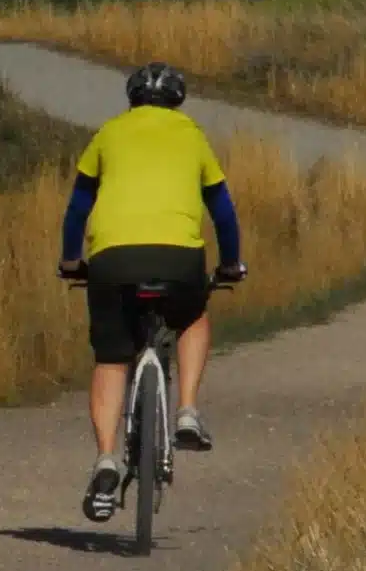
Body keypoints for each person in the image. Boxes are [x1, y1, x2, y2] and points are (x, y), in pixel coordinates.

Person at [57, 61, 246, 523]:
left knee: (110, 358)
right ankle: (185, 410)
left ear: (132, 99)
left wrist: (69, 260)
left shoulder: (108, 133)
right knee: (193, 315)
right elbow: (222, 210)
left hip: (112, 259)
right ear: (178, 101)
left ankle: (105, 460)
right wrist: (230, 263)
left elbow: (79, 206)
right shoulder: (192, 134)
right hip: (179, 258)